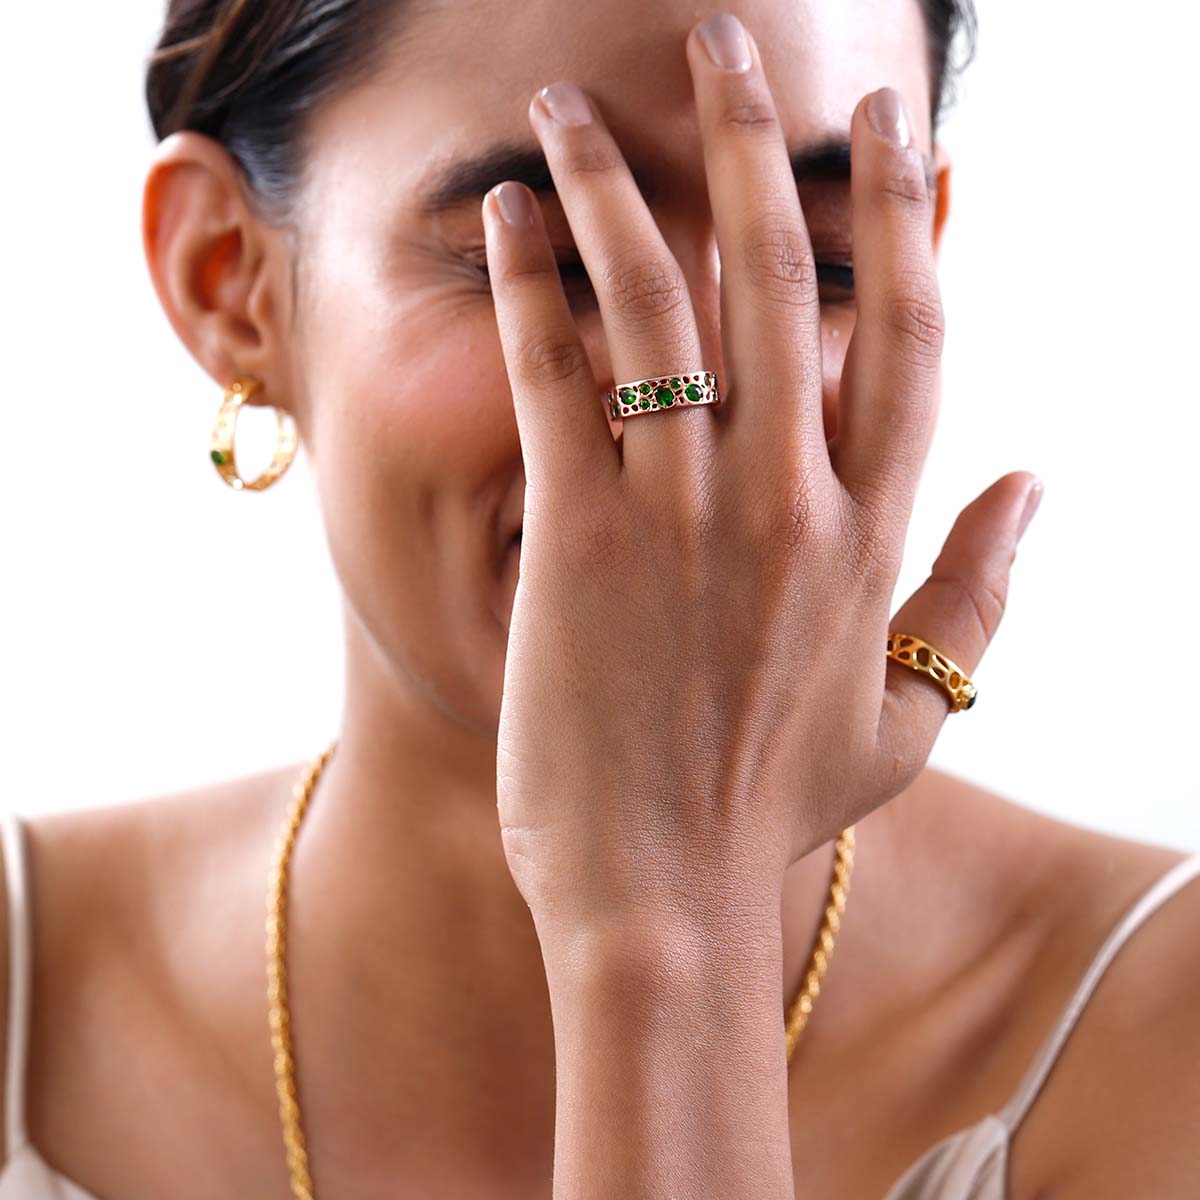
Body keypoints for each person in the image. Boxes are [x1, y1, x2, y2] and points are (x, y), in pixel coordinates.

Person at [1, 1, 1197, 1196]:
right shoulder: (23, 993)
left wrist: (672, 923)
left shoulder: (1156, 1033)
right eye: (560, 259)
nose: (710, 405)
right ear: (230, 279)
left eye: (819, 257)